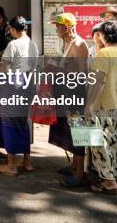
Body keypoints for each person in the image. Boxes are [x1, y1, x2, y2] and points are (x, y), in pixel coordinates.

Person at [45, 13, 89, 187]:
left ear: (68, 27)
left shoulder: (79, 44)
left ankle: (80, 174)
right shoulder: (68, 43)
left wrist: (57, 71)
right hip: (67, 93)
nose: (56, 29)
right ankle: (74, 166)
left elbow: (81, 74)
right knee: (71, 132)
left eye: (59, 26)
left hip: (77, 94)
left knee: (80, 133)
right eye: (56, 25)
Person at [85, 21, 117, 195]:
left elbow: (98, 82)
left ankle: (109, 182)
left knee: (99, 143)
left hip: (102, 104)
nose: (99, 36)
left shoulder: (104, 53)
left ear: (105, 35)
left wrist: (89, 105)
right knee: (115, 142)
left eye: (101, 33)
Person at [0, 16, 39, 176]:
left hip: (13, 87)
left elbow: (4, 68)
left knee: (9, 123)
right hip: (28, 86)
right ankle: (27, 161)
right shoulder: (33, 44)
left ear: (13, 29)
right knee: (22, 123)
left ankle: (11, 165)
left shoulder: (13, 44)